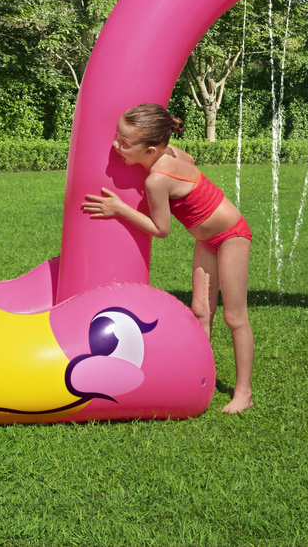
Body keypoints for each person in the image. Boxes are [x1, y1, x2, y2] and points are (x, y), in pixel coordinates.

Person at [82, 103, 254, 414]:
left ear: (150, 151)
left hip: (231, 235)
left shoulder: (157, 180)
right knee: (201, 311)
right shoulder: (170, 151)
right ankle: (202, 376)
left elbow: (161, 230)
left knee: (234, 317)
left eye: (124, 142)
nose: (116, 145)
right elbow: (188, 160)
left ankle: (244, 393)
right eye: (118, 136)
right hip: (206, 239)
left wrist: (120, 209)